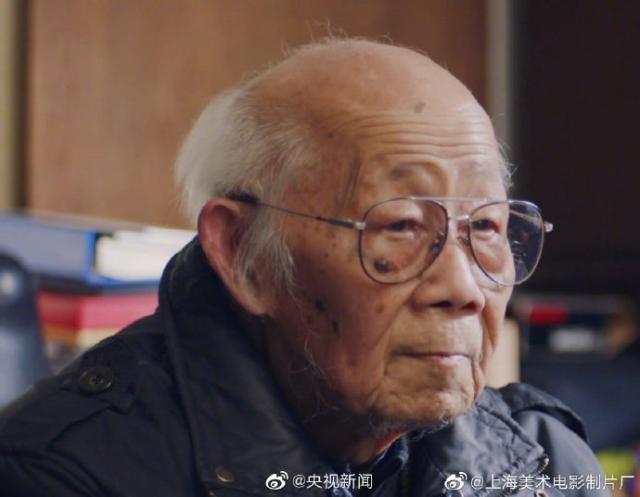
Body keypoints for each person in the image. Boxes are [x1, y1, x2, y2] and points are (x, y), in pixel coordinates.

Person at [0, 39, 609, 497]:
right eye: (400, 226)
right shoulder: (62, 473)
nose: (462, 288)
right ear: (243, 255)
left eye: (487, 228)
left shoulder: (541, 463)